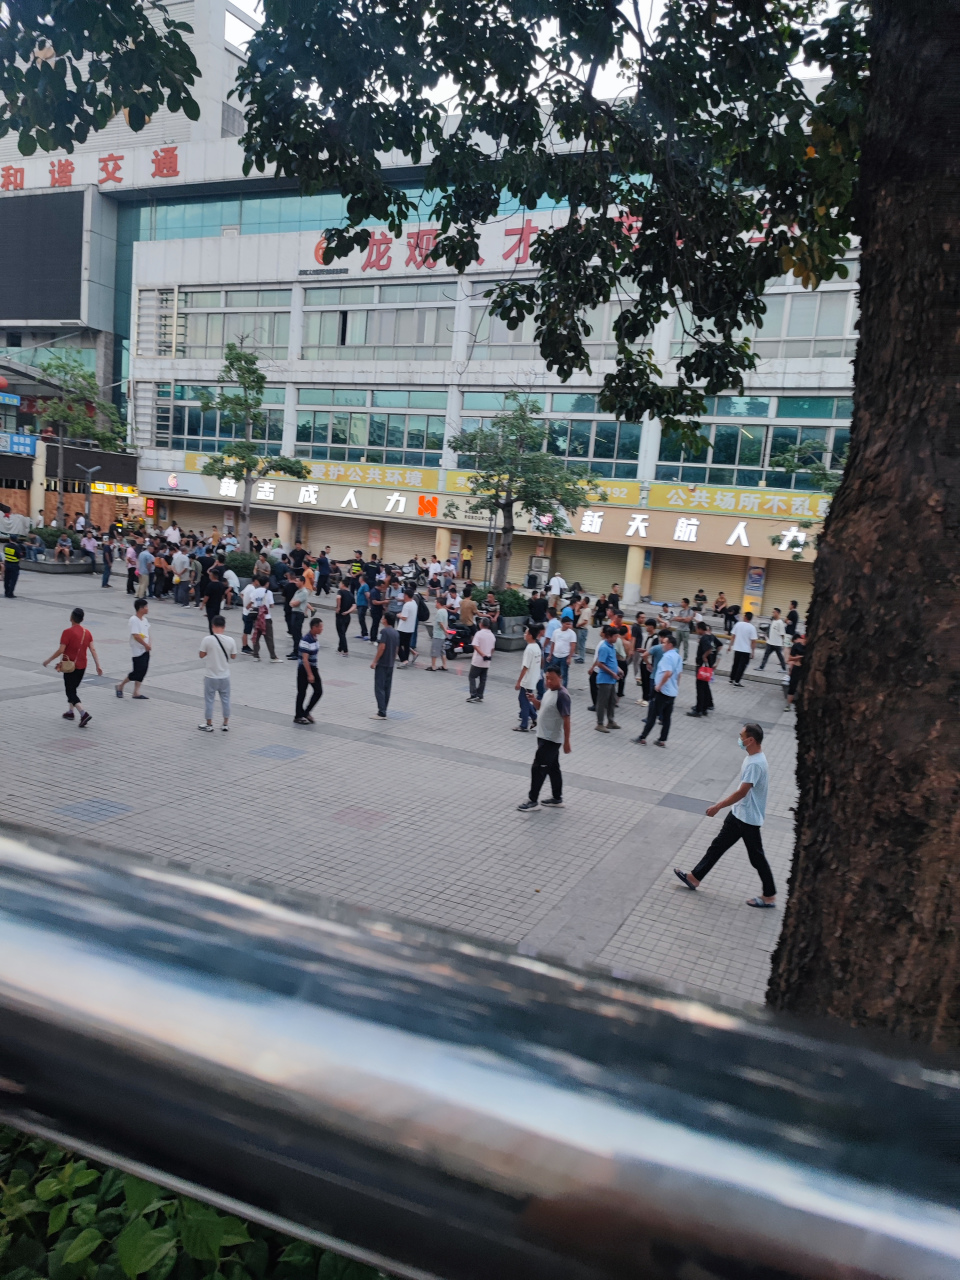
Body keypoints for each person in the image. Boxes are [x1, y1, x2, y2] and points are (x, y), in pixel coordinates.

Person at [674, 722, 775, 907]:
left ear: (751, 740)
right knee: (717, 846)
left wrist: (718, 806)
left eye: (742, 736)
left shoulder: (755, 764)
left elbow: (742, 792)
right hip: (739, 814)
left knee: (756, 857)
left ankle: (769, 896)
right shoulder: (751, 758)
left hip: (748, 819)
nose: (739, 739)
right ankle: (694, 877)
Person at [517, 664, 571, 811]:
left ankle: (532, 800)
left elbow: (566, 720)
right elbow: (543, 707)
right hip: (543, 736)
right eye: (547, 678)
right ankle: (557, 798)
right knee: (553, 768)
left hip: (551, 740)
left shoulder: (563, 695)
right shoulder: (549, 692)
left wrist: (567, 742)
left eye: (552, 679)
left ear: (560, 678)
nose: (548, 682)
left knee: (538, 768)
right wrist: (534, 701)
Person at [43, 606, 102, 727]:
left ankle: (83, 713)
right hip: (82, 666)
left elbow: (61, 650)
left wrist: (48, 660)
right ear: (82, 619)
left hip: (70, 667)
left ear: (71, 618)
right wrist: (98, 665)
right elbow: (93, 649)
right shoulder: (87, 633)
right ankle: (70, 712)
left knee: (70, 692)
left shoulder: (67, 632)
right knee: (73, 688)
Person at [634, 631, 681, 747]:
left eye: (664, 643)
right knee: (666, 717)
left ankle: (642, 737)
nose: (662, 645)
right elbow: (679, 674)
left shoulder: (667, 657)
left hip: (662, 691)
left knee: (652, 715)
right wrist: (676, 686)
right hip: (672, 692)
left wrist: (659, 686)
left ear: (670, 644)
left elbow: (668, 673)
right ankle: (662, 740)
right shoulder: (677, 656)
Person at [197, 615, 236, 732]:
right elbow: (233, 656)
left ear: (213, 626)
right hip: (224, 676)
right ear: (224, 627)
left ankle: (209, 724)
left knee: (209, 700)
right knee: (226, 699)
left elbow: (201, 655)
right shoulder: (231, 640)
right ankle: (225, 723)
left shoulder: (207, 639)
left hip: (211, 676)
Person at [116, 599, 151, 700]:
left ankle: (136, 692)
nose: (147, 609)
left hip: (146, 649)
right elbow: (136, 635)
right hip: (137, 650)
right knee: (136, 672)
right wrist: (145, 644)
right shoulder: (133, 620)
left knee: (143, 671)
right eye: (146, 607)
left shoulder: (145, 620)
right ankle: (120, 685)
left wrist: (149, 644)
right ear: (140, 608)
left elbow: (148, 633)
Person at [590, 625, 621, 732]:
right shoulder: (604, 647)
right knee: (602, 702)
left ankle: (611, 721)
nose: (617, 638)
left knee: (612, 701)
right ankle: (600, 723)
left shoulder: (612, 646)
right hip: (605, 679)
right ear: (609, 636)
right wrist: (612, 673)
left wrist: (618, 669)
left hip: (611, 679)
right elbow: (600, 664)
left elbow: (612, 661)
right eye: (615, 636)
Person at [294, 617, 324, 724]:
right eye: (320, 627)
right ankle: (298, 715)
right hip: (304, 669)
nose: (322, 629)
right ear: (314, 627)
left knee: (319, 691)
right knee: (302, 692)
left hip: (313, 668)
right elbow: (305, 659)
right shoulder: (306, 640)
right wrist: (310, 674)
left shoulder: (314, 638)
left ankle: (306, 712)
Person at [514, 623, 543, 732]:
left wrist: (518, 682)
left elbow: (525, 667)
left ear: (530, 635)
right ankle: (534, 718)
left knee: (523, 700)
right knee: (525, 699)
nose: (524, 635)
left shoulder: (529, 649)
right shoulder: (537, 646)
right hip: (534, 678)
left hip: (527, 679)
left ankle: (524, 725)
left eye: (526, 633)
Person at [370, 611, 399, 719]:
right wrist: (393, 658)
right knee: (387, 687)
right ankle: (384, 709)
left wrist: (375, 661)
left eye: (383, 617)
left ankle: (381, 712)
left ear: (385, 620)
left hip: (382, 663)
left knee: (379, 687)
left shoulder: (384, 632)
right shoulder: (396, 633)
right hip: (390, 663)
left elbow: (382, 647)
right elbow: (396, 648)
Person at [688, 621, 719, 717]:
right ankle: (704, 707)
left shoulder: (704, 638)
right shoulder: (710, 636)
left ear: (699, 628)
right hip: (707, 667)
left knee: (700, 688)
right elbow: (718, 645)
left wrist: (704, 656)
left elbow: (709, 648)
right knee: (705, 687)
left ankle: (699, 710)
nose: (696, 631)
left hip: (702, 667)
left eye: (697, 629)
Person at [250, 577, 280, 662]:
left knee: (256, 636)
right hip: (266, 618)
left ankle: (256, 655)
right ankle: (273, 656)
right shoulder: (269, 592)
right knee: (269, 638)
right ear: (267, 583)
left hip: (256, 618)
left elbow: (252, 602)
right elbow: (272, 605)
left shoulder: (254, 591)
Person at [466, 616, 496, 703]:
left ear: (481, 624)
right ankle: (480, 695)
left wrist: (482, 654)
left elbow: (475, 645)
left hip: (478, 660)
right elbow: (493, 648)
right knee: (483, 678)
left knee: (472, 676)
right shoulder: (492, 635)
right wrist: (488, 655)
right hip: (487, 661)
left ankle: (473, 694)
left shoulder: (479, 634)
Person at [728, 610, 758, 686]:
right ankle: (737, 681)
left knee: (735, 664)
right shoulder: (752, 628)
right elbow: (753, 641)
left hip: (737, 648)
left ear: (745, 617)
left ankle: (732, 678)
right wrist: (753, 652)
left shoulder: (738, 624)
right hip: (746, 650)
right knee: (742, 666)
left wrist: (730, 646)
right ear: (750, 619)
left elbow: (733, 636)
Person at [286, 575, 312, 658]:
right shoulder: (297, 591)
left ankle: (298, 652)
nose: (296, 582)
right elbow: (291, 602)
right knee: (294, 632)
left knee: (297, 633)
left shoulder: (304, 592)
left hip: (299, 614)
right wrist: (293, 603)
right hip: (294, 613)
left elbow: (295, 603)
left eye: (297, 581)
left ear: (302, 582)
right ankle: (295, 650)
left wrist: (293, 603)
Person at [550, 615, 577, 687]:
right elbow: (553, 643)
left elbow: (573, 646)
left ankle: (563, 688)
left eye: (569, 624)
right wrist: (550, 655)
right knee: (554, 672)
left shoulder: (572, 633)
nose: (569, 625)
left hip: (565, 656)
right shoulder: (556, 632)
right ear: (562, 623)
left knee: (564, 674)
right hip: (555, 655)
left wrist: (569, 657)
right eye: (567, 624)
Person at [202, 568, 228, 634]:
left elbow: (206, 596)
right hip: (217, 606)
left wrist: (203, 604)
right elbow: (223, 596)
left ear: (212, 576)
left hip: (210, 606)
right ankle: (217, 632)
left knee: (211, 622)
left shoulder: (210, 585)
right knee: (216, 620)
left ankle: (213, 634)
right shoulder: (221, 585)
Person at [396, 588, 418, 665]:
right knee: (406, 644)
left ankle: (403, 659)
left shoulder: (407, 605)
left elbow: (404, 617)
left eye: (404, 595)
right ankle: (406, 659)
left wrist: (398, 615)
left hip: (403, 628)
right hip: (410, 628)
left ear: (406, 595)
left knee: (397, 644)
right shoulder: (414, 603)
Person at [335, 578, 356, 656]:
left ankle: (345, 651)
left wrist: (338, 607)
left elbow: (338, 598)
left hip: (340, 616)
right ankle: (339, 649)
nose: (339, 585)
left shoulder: (340, 591)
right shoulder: (351, 594)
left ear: (343, 584)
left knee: (341, 633)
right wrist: (348, 612)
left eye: (340, 583)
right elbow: (354, 606)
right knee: (343, 633)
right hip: (347, 616)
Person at [786, 629, 806, 709]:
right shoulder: (797, 646)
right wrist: (799, 657)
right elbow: (790, 659)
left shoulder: (811, 647)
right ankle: (788, 705)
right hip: (797, 667)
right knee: (792, 686)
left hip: (805, 669)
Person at [429, 599, 449, 672]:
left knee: (434, 650)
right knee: (442, 651)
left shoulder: (439, 612)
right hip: (442, 635)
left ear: (438, 603)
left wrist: (445, 630)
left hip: (438, 634)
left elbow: (440, 623)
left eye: (436, 602)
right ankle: (444, 665)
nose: (435, 604)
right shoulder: (445, 611)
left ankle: (433, 666)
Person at [368, 578, 385, 645]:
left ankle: (373, 637)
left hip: (378, 610)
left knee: (375, 624)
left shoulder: (377, 591)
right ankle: (373, 638)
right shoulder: (374, 591)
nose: (382, 588)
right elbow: (374, 602)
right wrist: (384, 602)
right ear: (380, 585)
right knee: (375, 625)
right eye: (382, 587)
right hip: (375, 610)